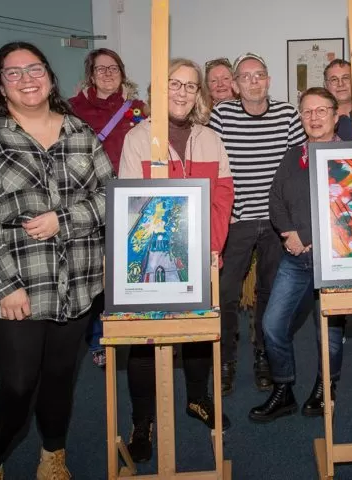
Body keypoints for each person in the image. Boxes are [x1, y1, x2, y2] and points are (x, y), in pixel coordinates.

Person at [0, 41, 113, 480]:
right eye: (13, 72)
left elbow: (108, 197)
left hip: (77, 278)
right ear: (1, 84)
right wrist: (6, 286)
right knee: (19, 385)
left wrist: (64, 218)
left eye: (35, 69)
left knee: (60, 379)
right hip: (14, 281)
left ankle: (52, 456)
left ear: (50, 77)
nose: (27, 78)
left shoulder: (80, 133)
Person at [118, 58, 234, 463]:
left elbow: (222, 196)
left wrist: (212, 246)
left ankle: (198, 398)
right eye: (174, 84)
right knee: (145, 341)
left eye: (190, 86)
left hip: (202, 254)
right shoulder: (138, 138)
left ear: (199, 94)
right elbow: (132, 205)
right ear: (157, 90)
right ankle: (142, 421)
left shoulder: (211, 139)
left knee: (199, 329)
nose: (182, 92)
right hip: (152, 256)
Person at [209, 52, 307, 395]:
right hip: (236, 221)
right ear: (235, 85)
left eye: (260, 74)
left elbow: (298, 168)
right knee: (225, 294)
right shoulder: (221, 115)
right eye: (246, 76)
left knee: (270, 292)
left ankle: (263, 355)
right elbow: (214, 167)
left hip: (276, 221)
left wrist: (293, 222)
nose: (254, 81)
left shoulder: (288, 114)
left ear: (268, 80)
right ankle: (224, 360)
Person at [248, 87, 344, 422]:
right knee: (272, 325)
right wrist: (288, 233)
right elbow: (275, 198)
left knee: (327, 332)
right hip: (295, 258)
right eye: (307, 111)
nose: (314, 118)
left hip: (335, 260)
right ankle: (283, 388)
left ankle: (325, 386)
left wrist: (308, 235)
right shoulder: (292, 156)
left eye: (321, 111)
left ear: (335, 115)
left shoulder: (349, 157)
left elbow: (349, 210)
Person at [70, 48, 147, 368]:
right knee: (92, 272)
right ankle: (96, 337)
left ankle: (130, 331)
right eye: (100, 68)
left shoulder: (137, 109)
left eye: (113, 67)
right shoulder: (71, 108)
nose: (107, 73)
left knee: (126, 270)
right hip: (85, 200)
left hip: (128, 200)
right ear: (90, 74)